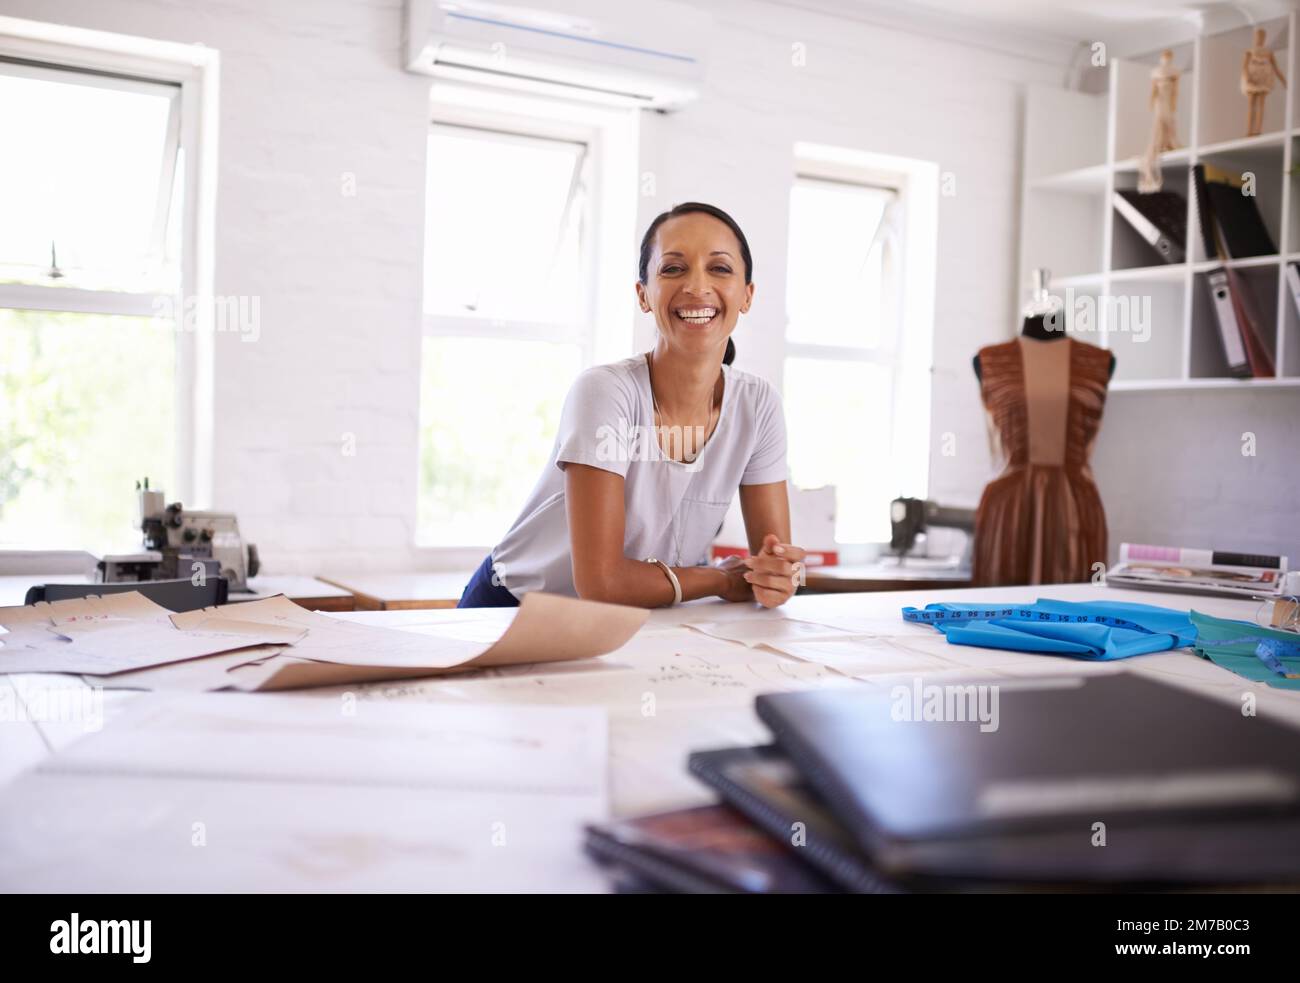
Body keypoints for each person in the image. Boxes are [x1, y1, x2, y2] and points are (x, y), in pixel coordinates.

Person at [458, 202, 805, 609]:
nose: (696, 286)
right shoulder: (605, 392)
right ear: (643, 295)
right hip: (516, 606)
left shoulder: (759, 406)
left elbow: (773, 564)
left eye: (720, 268)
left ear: (747, 296)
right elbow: (602, 583)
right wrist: (721, 580)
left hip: (644, 612)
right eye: (673, 268)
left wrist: (779, 579)